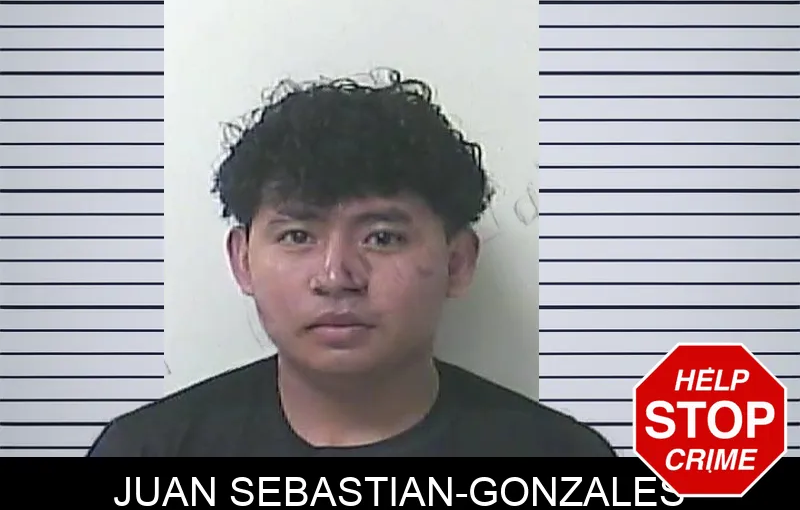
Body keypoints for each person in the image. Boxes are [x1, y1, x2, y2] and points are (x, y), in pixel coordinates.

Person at [87, 69, 616, 457]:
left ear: (457, 263)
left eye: (382, 238)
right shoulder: (147, 453)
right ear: (242, 261)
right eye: (297, 236)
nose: (336, 277)